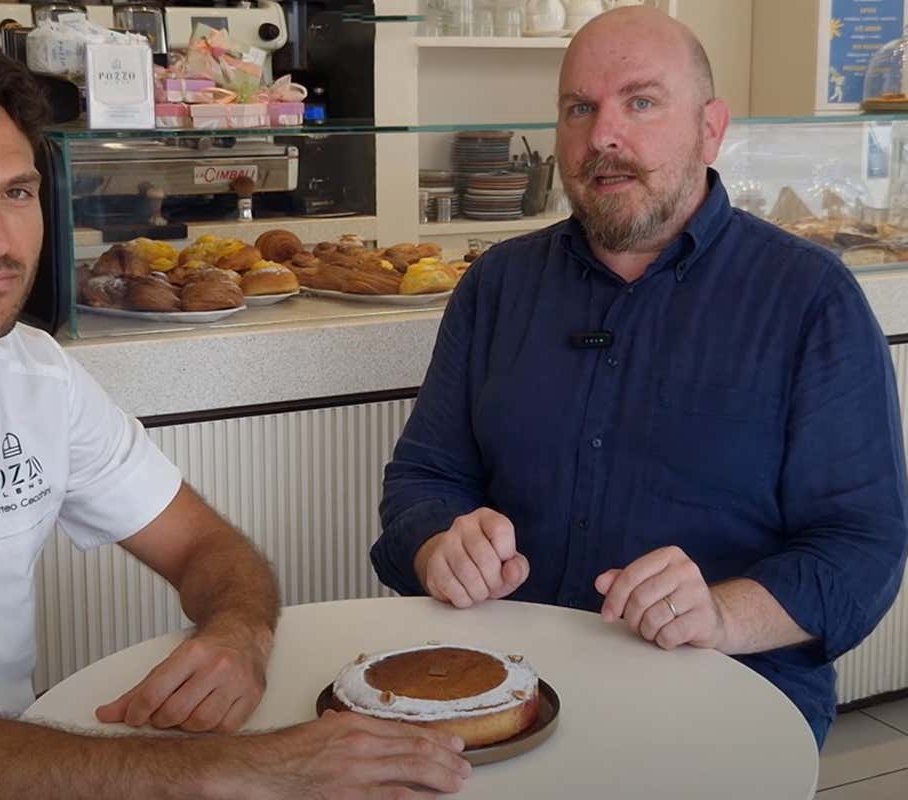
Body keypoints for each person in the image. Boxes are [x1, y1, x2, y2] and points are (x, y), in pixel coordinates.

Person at [0, 35, 469, 799]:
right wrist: (251, 769)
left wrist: (238, 635)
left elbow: (205, 545)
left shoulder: (32, 371)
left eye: (16, 192)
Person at [372, 6, 908, 749]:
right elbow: (424, 479)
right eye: (579, 109)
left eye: (642, 102)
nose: (604, 137)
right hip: (509, 683)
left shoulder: (809, 299)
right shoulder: (497, 284)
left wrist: (721, 614)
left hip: (725, 688)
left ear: (711, 128)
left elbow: (861, 547)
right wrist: (438, 545)